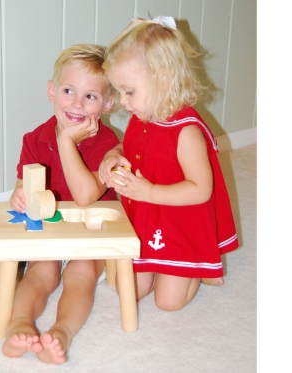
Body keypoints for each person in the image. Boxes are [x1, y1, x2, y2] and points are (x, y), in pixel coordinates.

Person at [98, 16, 239, 312]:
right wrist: (113, 154)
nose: (123, 102)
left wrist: (149, 192)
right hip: (147, 217)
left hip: (180, 220)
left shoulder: (187, 131)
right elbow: (132, 146)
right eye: (120, 92)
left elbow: (201, 190)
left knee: (168, 303)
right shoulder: (142, 117)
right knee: (128, 290)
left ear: (163, 78)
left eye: (129, 91)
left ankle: (200, 269)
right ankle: (168, 265)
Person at [2, 44, 120, 364]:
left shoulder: (108, 143)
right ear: (52, 91)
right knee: (41, 270)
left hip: (92, 229)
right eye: (69, 91)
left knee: (80, 274)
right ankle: (20, 321)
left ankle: (62, 331)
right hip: (52, 227)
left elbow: (85, 197)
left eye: (91, 97)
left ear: (108, 103)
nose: (77, 104)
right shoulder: (34, 139)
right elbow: (23, 184)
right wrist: (20, 196)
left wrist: (67, 140)